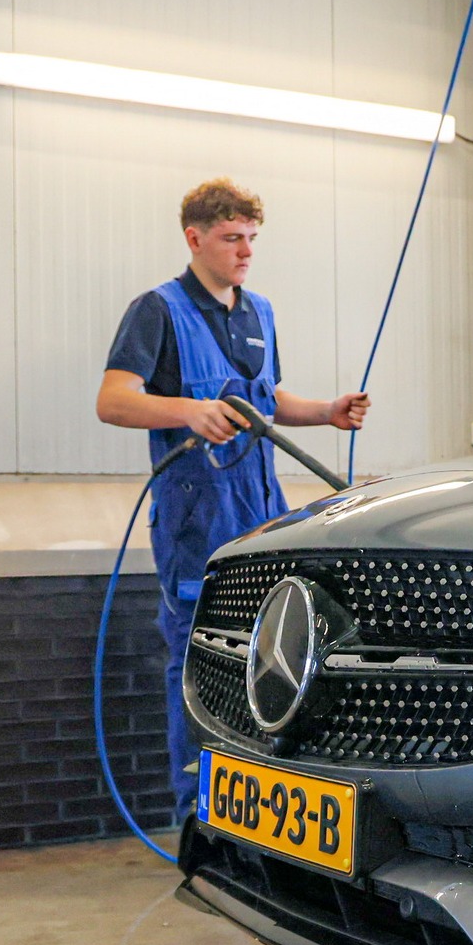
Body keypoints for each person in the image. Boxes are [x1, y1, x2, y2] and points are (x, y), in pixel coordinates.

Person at [96, 178, 369, 822]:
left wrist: (327, 411)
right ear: (194, 239)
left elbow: (266, 401)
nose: (245, 251)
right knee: (197, 662)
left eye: (251, 238)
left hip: (262, 515)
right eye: (230, 239)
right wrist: (188, 410)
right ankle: (195, 814)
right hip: (196, 519)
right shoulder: (157, 310)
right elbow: (112, 400)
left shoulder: (259, 312)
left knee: (266, 659)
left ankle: (256, 810)